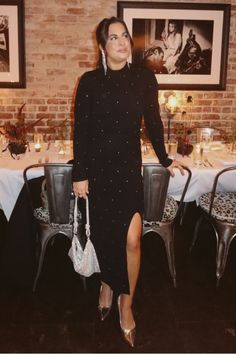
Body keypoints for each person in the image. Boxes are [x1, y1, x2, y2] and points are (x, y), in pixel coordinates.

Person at [72, 16, 184, 348]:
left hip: (128, 170)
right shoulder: (90, 81)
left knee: (133, 240)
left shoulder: (144, 78)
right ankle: (108, 282)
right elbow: (82, 131)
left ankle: (127, 302)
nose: (122, 42)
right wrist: (80, 174)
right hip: (99, 171)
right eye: (114, 37)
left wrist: (165, 158)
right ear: (103, 46)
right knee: (106, 236)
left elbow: (153, 122)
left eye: (125, 36)